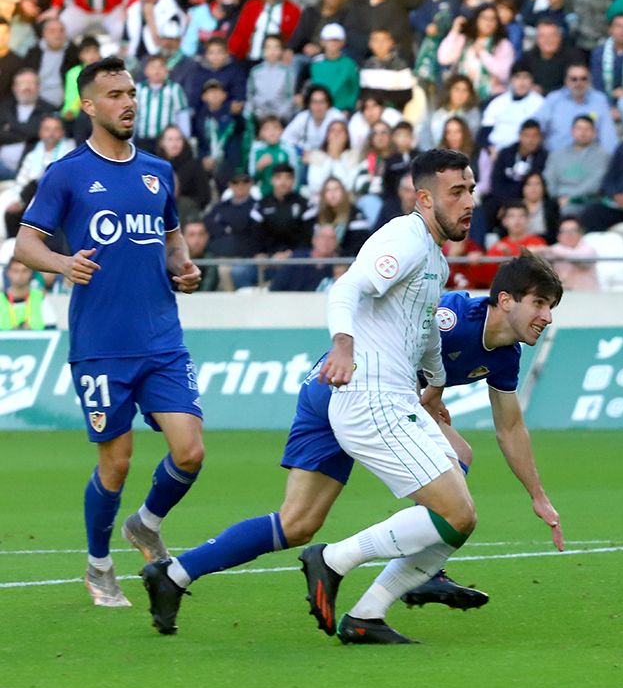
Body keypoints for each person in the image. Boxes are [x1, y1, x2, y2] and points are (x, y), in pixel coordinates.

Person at [140, 244, 565, 639]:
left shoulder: (506, 355)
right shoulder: (453, 316)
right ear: (506, 300)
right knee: (457, 463)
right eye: (540, 303)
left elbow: (510, 427)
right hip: (353, 390)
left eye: (550, 307)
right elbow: (396, 338)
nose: (546, 316)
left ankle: (174, 573)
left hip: (333, 391)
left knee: (297, 523)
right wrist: (427, 396)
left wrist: (538, 495)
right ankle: (405, 566)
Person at [13, 56, 205, 607]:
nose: (128, 103)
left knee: (190, 452)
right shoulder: (67, 173)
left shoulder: (158, 171)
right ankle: (99, 565)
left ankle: (145, 525)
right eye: (115, 94)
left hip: (162, 340)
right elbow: (27, 244)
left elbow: (172, 241)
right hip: (101, 346)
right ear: (89, 106)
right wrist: (62, 263)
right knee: (115, 463)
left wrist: (184, 270)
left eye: (132, 93)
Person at [536, 63, 619, 154]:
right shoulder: (554, 99)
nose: (579, 83)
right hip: (555, 157)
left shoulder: (599, 100)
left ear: (589, 81)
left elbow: (608, 135)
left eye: (583, 79)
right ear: (566, 81)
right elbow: (536, 124)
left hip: (588, 159)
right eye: (574, 79)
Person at [543, 114, 610, 215]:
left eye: (587, 129)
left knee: (567, 210)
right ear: (572, 131)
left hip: (585, 200)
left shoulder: (602, 156)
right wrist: (556, 198)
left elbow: (594, 184)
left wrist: (570, 198)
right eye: (579, 128)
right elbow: (549, 178)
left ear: (594, 132)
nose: (583, 133)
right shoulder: (557, 154)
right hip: (557, 198)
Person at [269, 223, 341, 292]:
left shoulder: (340, 267)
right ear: (314, 240)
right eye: (323, 237)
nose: (326, 242)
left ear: (336, 243)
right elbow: (275, 288)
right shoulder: (297, 261)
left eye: (331, 238)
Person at [1, 256, 58, 329]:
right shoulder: (1, 299)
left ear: (31, 273)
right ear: (8, 273)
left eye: (24, 271)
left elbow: (52, 329)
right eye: (16, 271)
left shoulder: (40, 298)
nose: (20, 275)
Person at [547, 216, 599, 291]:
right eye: (565, 231)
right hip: (564, 296)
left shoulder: (588, 249)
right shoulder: (554, 250)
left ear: (581, 233)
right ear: (558, 236)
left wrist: (549, 250)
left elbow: (580, 258)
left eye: (573, 231)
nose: (569, 235)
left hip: (587, 296)